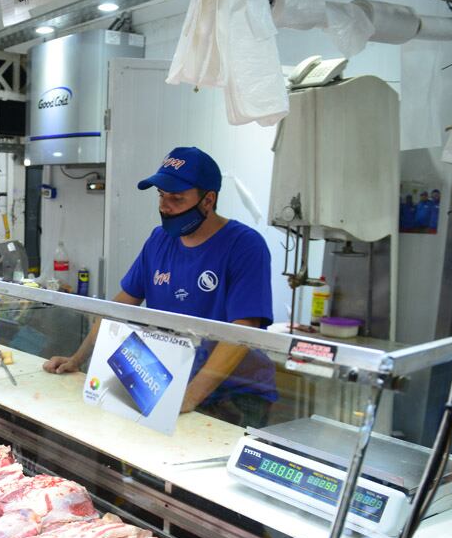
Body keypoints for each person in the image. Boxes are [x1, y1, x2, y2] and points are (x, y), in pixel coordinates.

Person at [43, 147, 277, 427]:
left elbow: (243, 329)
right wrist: (78, 358)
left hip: (235, 393)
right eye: (161, 196)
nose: (165, 207)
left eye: (177, 199)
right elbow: (118, 308)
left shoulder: (244, 245)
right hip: (173, 383)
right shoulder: (159, 241)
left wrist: (191, 396)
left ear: (208, 200)